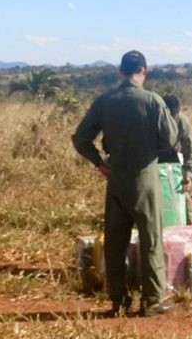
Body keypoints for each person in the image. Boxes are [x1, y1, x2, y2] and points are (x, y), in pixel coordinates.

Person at [72, 50, 177, 317]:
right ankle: (151, 300)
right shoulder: (152, 101)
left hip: (115, 176)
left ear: (120, 71)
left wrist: (100, 163)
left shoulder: (104, 101)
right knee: (150, 238)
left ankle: (118, 300)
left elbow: (81, 138)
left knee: (115, 241)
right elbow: (169, 140)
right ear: (145, 70)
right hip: (145, 177)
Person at [158, 94, 192, 224]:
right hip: (152, 159)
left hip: (171, 158)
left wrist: (188, 174)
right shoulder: (150, 120)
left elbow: (189, 151)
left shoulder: (182, 122)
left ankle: (189, 229)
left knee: (183, 196)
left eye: (175, 115)